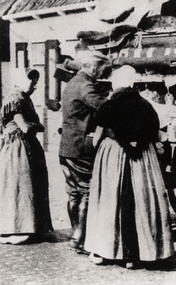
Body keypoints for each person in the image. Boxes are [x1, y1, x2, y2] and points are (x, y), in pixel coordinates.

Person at [84, 65, 174, 268]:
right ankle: (145, 252)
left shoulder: (108, 105)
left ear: (116, 84)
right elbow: (155, 133)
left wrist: (99, 148)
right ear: (133, 83)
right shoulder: (146, 105)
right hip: (143, 159)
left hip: (114, 155)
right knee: (143, 200)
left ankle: (108, 250)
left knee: (110, 200)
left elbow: (97, 137)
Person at [59, 51, 110, 253]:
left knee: (73, 193)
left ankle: (75, 235)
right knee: (87, 191)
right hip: (81, 147)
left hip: (67, 146)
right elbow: (105, 107)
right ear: (93, 67)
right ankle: (81, 238)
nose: (101, 73)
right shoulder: (86, 85)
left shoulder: (72, 82)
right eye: (101, 69)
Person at [0, 68, 53, 244]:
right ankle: (15, 228)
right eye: (32, 81)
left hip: (27, 146)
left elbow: (39, 126)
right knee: (20, 186)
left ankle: (32, 226)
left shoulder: (24, 98)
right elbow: (27, 127)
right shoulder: (15, 99)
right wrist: (35, 125)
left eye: (36, 81)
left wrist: (36, 125)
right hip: (17, 148)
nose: (35, 85)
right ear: (21, 80)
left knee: (30, 185)